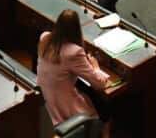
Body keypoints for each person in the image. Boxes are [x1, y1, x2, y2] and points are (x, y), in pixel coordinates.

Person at [36, 8, 112, 138]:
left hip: (46, 106)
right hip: (64, 112)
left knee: (85, 90)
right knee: (106, 108)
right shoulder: (74, 52)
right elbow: (100, 85)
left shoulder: (45, 38)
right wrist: (95, 67)